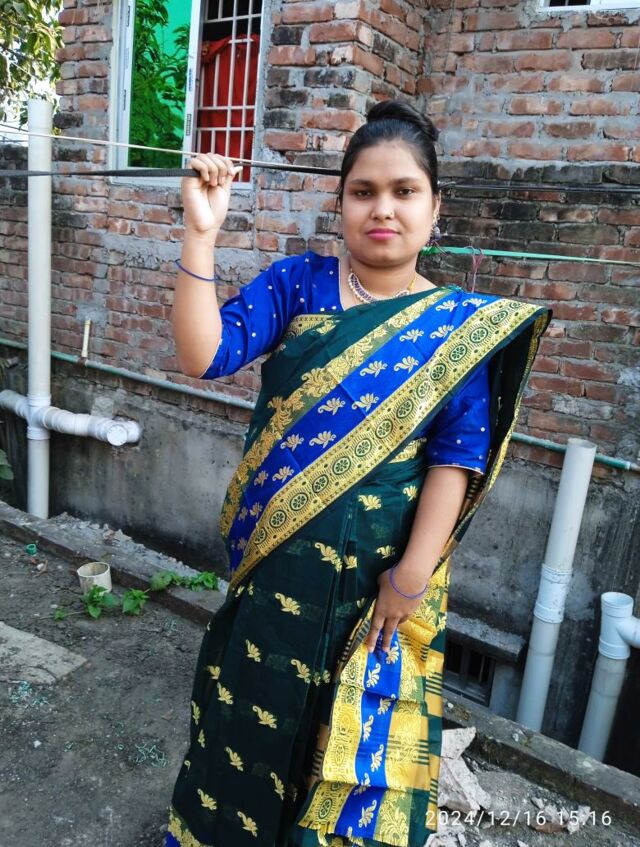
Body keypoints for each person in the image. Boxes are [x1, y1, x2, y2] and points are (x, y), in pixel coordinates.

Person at [165, 99, 552, 847]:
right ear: (339, 202)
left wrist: (410, 577)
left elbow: (455, 460)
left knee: (348, 759)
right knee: (249, 724)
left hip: (376, 592)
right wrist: (201, 232)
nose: (383, 209)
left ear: (435, 208)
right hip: (279, 573)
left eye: (405, 191)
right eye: (363, 191)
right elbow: (203, 354)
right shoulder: (298, 285)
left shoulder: (456, 330)